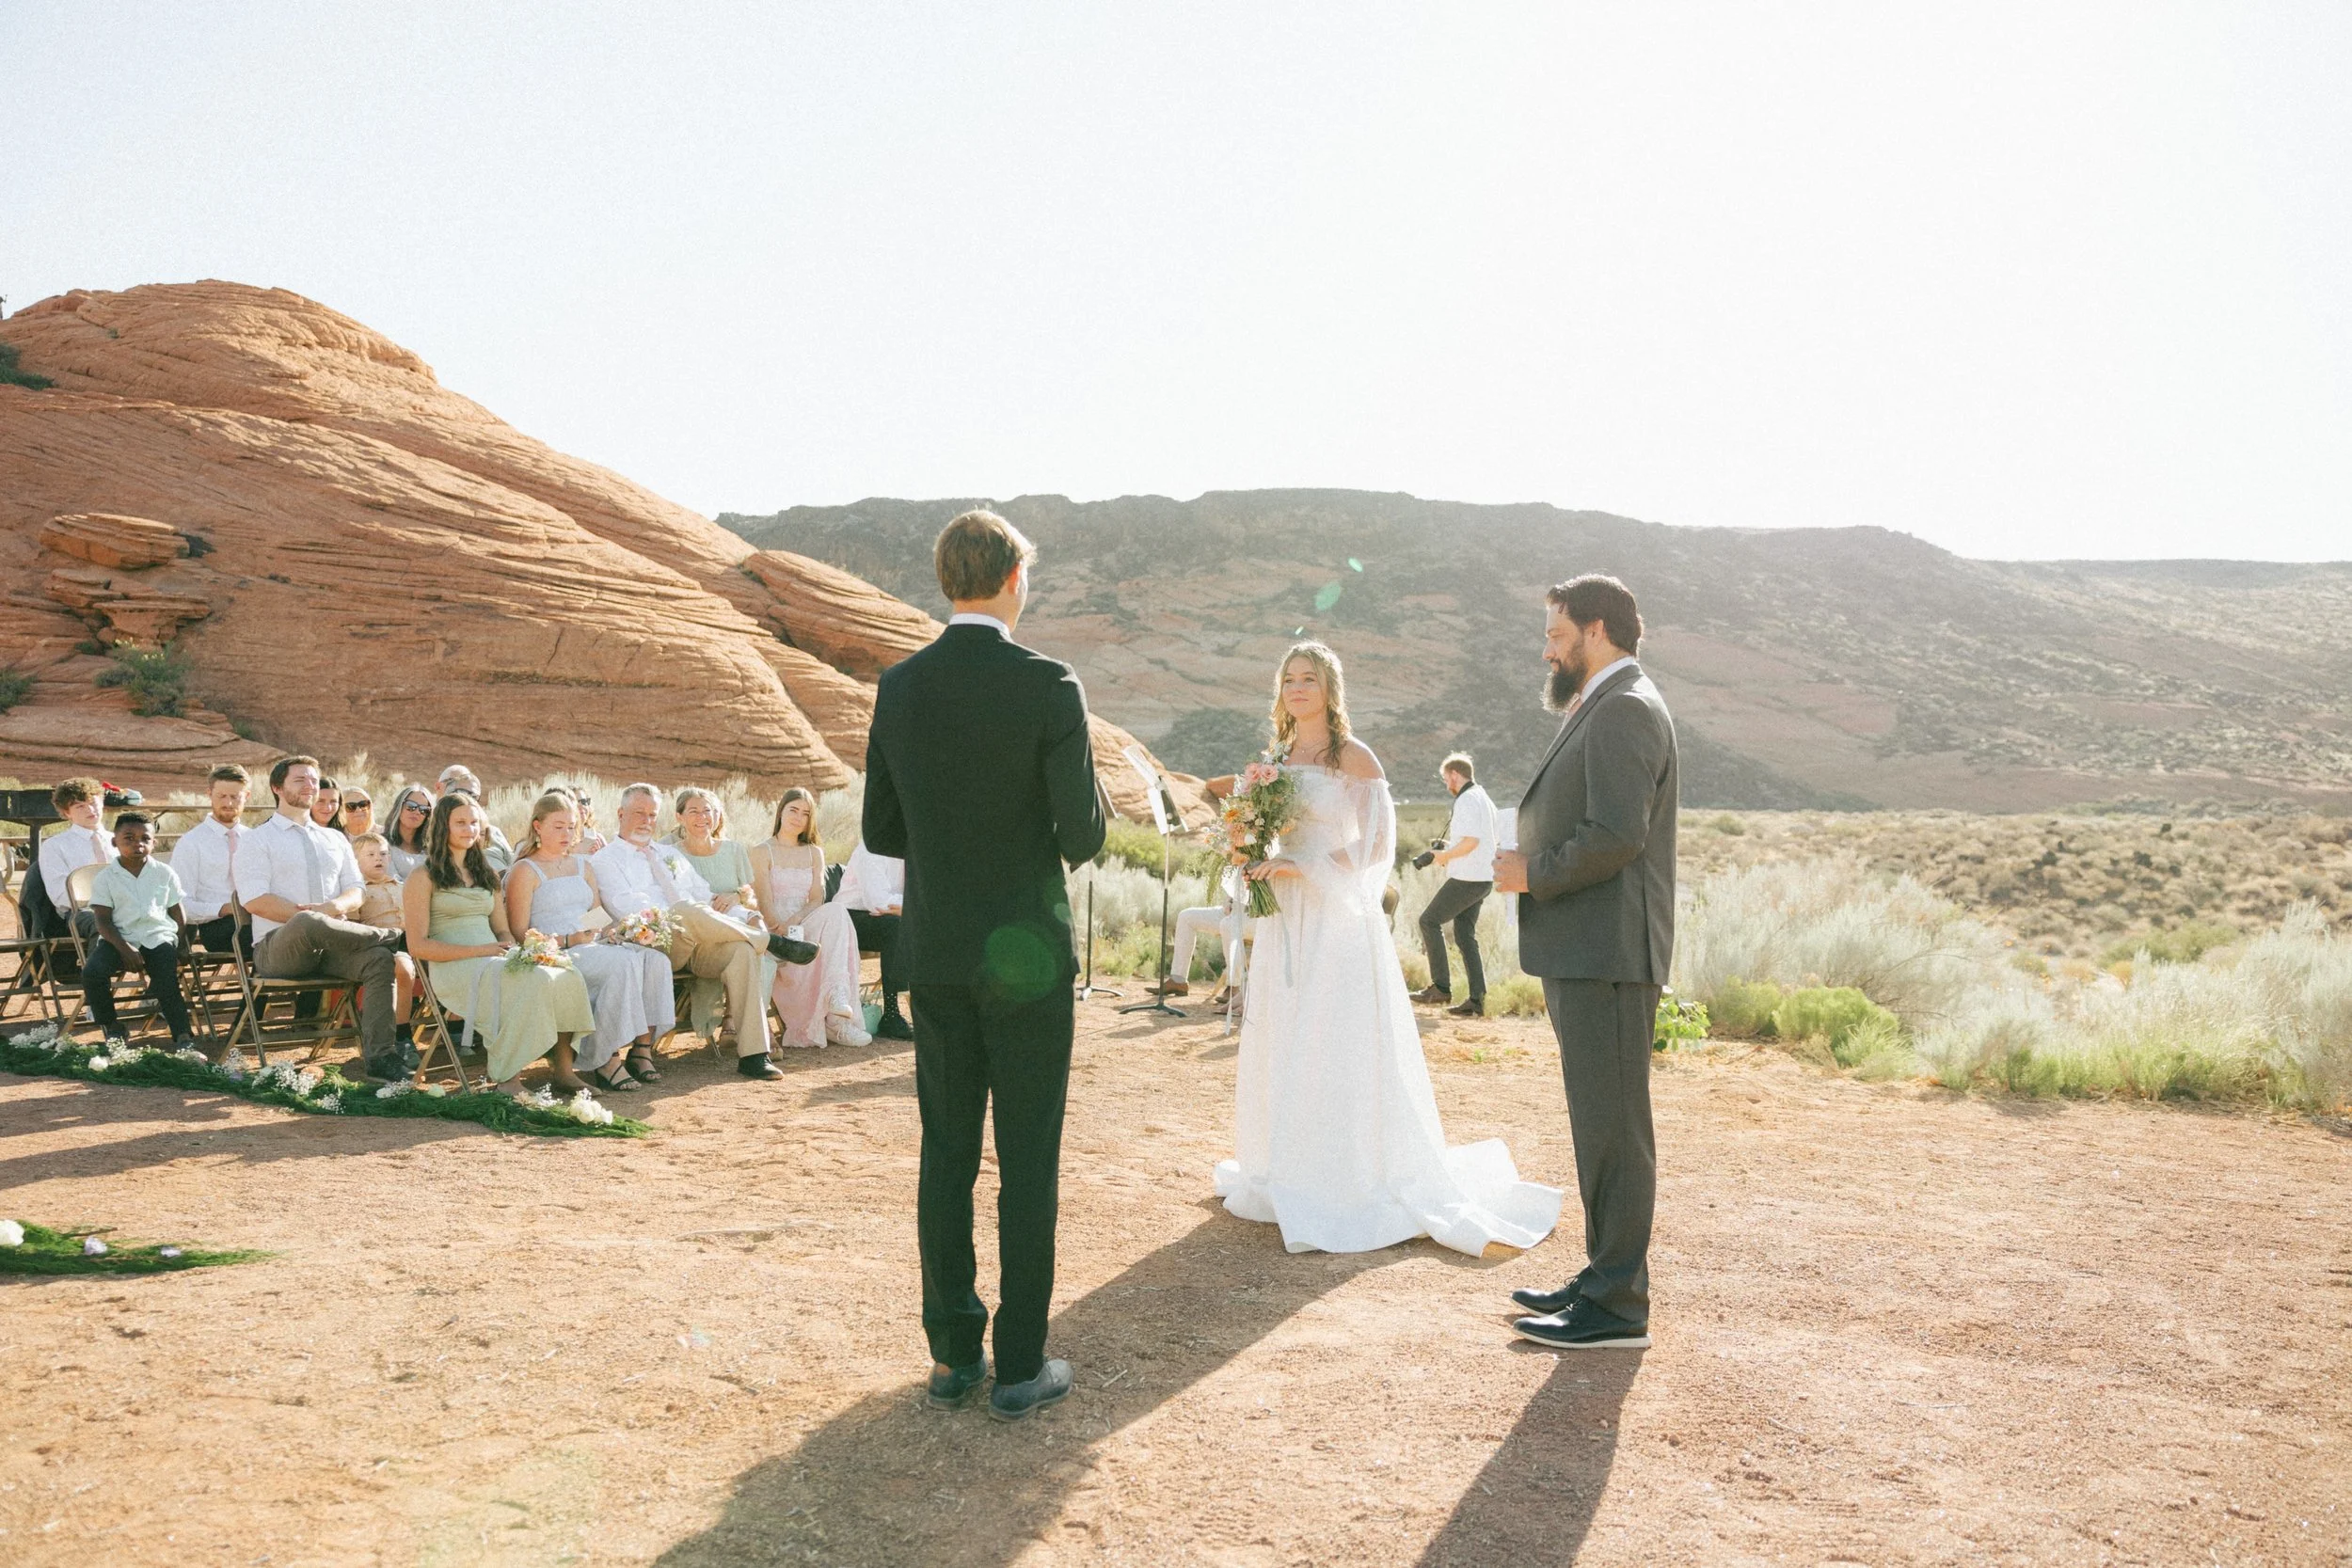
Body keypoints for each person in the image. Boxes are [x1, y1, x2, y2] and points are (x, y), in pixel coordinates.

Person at [863, 508, 1107, 1421]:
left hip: (934, 951)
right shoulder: (1049, 682)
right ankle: (1020, 1363)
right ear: (1015, 579)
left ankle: (952, 1352)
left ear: (944, 581)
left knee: (947, 1151)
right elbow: (1082, 831)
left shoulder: (900, 685)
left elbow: (881, 828)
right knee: (1028, 1156)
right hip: (1030, 957)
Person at [1213, 641, 1561, 1262]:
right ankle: (1286, 1167)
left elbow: (1374, 849)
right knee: (1286, 1035)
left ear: (1329, 687)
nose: (1297, 688)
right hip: (1285, 918)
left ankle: (1342, 1177)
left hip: (1334, 918)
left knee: (1330, 1039)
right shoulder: (1278, 757)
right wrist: (1247, 846)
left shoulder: (1354, 755)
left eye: (1309, 678)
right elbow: (1265, 830)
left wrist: (1301, 866)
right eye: (1289, 678)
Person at [1493, 575, 1678, 1353]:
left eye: (1556, 631)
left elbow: (1614, 836)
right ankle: (1602, 1277)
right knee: (1599, 1122)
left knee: (1614, 1127)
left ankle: (1618, 1304)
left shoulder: (1625, 707)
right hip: (1591, 947)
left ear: (1596, 628)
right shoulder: (1608, 700)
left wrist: (1532, 873)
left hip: (1607, 949)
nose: (1547, 646)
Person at [590, 784, 807, 1081]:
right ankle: (770, 941)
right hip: (655, 941)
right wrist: (683, 914)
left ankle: (755, 1055)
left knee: (741, 951)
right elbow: (628, 907)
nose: (646, 820)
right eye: (639, 813)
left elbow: (704, 896)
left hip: (699, 939)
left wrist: (746, 914)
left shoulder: (668, 854)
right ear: (620, 813)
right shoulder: (606, 859)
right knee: (682, 909)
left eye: (652, 815)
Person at [230, 755, 414, 1080]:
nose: (310, 786)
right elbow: (255, 900)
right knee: (305, 923)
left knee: (378, 962)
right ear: (276, 787)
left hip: (333, 948)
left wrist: (328, 911)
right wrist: (313, 916)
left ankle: (381, 1058)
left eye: (314, 780)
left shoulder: (334, 839)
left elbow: (356, 890)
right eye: (300, 780)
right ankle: (392, 937)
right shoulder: (257, 840)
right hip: (278, 949)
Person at [404, 791, 595, 1096]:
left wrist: (520, 952)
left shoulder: (486, 874)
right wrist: (483, 951)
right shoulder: (422, 876)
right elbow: (418, 946)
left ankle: (563, 1070)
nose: (470, 829)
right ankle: (509, 1079)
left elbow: (503, 932)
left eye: (474, 822)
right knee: (528, 982)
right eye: (461, 823)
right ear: (443, 826)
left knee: (564, 973)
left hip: (493, 958)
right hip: (454, 968)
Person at [505, 789, 674, 1092]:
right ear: (537, 826)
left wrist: (615, 931)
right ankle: (605, 1058)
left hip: (589, 943)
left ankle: (639, 1050)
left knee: (650, 957)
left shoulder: (583, 865)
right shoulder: (525, 870)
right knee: (621, 963)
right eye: (558, 827)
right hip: (554, 949)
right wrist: (569, 939)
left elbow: (595, 915)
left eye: (571, 827)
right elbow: (520, 932)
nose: (567, 834)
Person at [753, 787, 869, 1049]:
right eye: (793, 810)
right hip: (774, 932)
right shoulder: (762, 851)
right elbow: (763, 901)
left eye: (805, 814)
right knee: (833, 919)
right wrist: (781, 926)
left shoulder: (814, 852)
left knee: (836, 911)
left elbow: (817, 898)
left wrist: (797, 919)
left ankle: (838, 1003)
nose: (798, 818)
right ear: (780, 811)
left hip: (803, 924)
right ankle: (832, 1019)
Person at [82, 812, 197, 1051]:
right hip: (119, 938)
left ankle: (182, 1034)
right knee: (93, 972)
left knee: (166, 977)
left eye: (145, 838)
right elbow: (102, 920)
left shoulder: (164, 872)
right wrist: (124, 949)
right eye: (129, 838)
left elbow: (177, 911)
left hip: (157, 936)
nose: (138, 844)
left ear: (154, 842)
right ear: (115, 842)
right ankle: (113, 1026)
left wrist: (182, 943)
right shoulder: (106, 878)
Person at [1409, 752, 1499, 1019]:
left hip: (1468, 878)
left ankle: (1440, 988)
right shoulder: (1483, 798)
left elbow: (1471, 842)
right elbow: (1478, 841)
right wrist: (1448, 848)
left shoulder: (1467, 800)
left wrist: (1445, 857)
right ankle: (1476, 1001)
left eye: (1445, 778)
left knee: (1428, 921)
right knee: (1464, 936)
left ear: (1454, 775)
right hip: (1483, 877)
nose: (1445, 783)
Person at [168, 763, 252, 953]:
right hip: (217, 926)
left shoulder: (255, 839)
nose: (228, 803)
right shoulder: (191, 843)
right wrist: (225, 908)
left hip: (259, 917)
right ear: (209, 794)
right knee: (268, 935)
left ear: (246, 797)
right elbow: (180, 905)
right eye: (221, 796)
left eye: (235, 797)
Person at [836, 841, 913, 1040]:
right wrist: (915, 907)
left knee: (927, 926)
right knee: (896, 927)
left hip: (892, 918)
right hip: (848, 918)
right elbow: (878, 902)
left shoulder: (913, 851)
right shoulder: (871, 848)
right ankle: (892, 1013)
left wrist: (913, 908)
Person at [351, 831, 422, 1028]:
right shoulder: (356, 891)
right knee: (403, 969)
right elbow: (353, 926)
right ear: (355, 860)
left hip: (411, 940)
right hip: (381, 944)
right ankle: (400, 1031)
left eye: (383, 854)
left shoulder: (401, 886)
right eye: (371, 855)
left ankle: (456, 1026)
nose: (378, 859)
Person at [1149, 869, 1244, 1001]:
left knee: (1231, 926)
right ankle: (1178, 980)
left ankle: (1234, 987)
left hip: (1253, 915)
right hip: (1229, 911)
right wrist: (1228, 903)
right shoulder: (1238, 854)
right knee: (1186, 916)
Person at [38, 776, 111, 941]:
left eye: (93, 802)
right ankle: (98, 967)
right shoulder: (55, 846)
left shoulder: (121, 841)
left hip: (128, 906)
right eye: (80, 806)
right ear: (66, 813)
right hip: (83, 911)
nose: (90, 810)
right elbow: (60, 894)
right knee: (103, 926)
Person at [437, 766, 514, 872]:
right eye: (463, 793)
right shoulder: (437, 830)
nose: (468, 800)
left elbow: (513, 863)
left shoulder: (494, 831)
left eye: (474, 797)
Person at [384, 784, 435, 879]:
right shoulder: (381, 844)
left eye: (424, 810)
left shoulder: (432, 849)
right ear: (399, 807)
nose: (417, 812)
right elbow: (391, 880)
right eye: (411, 806)